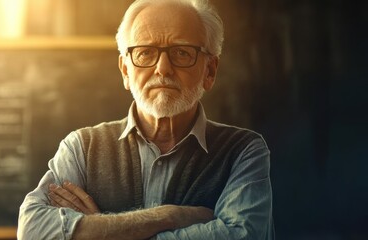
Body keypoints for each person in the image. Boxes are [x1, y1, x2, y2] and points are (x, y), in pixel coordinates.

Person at [18, 0, 274, 239]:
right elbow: (32, 229)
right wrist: (171, 216)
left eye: (182, 53)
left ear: (210, 71)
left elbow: (244, 234)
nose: (162, 68)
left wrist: (101, 230)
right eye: (145, 53)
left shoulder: (244, 150)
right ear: (125, 71)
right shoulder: (81, 148)